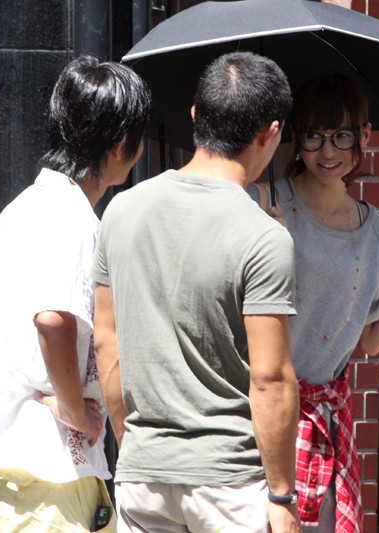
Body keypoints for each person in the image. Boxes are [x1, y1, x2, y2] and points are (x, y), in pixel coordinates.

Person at [90, 51, 301, 533]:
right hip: (230, 484)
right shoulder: (264, 238)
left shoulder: (121, 212)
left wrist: (135, 444)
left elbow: (106, 343)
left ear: (194, 116)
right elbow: (270, 378)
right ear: (270, 132)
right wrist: (282, 495)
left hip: (143, 476)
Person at [0, 55, 151, 532]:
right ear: (120, 145)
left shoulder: (29, 206)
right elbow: (52, 318)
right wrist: (76, 411)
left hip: (24, 475)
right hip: (45, 476)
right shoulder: (67, 215)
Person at [249, 73, 379, 532]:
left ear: (363, 136)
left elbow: (370, 342)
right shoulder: (267, 202)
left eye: (340, 135)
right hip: (262, 416)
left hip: (326, 425)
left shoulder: (370, 226)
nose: (327, 151)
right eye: (314, 136)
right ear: (296, 138)